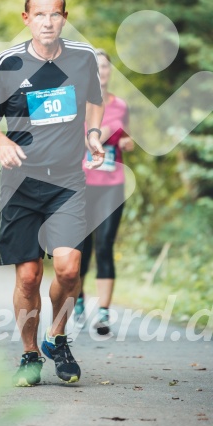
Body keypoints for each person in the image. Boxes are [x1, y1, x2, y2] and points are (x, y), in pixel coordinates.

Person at [0, 0, 105, 386]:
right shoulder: (9, 63)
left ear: (64, 17)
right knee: (29, 277)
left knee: (69, 269)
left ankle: (58, 338)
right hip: (20, 184)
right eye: (39, 15)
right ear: (26, 18)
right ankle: (29, 354)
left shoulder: (83, 58)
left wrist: (95, 134)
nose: (47, 22)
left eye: (55, 14)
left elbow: (95, 99)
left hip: (67, 179)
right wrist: (1, 143)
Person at [75, 49, 134, 335]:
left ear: (111, 72)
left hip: (112, 183)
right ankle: (78, 301)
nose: (102, 72)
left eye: (105, 68)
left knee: (105, 245)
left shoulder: (120, 105)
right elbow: (79, 138)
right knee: (82, 248)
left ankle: (104, 313)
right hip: (83, 184)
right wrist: (102, 132)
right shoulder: (79, 104)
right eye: (96, 68)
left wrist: (126, 143)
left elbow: (123, 135)